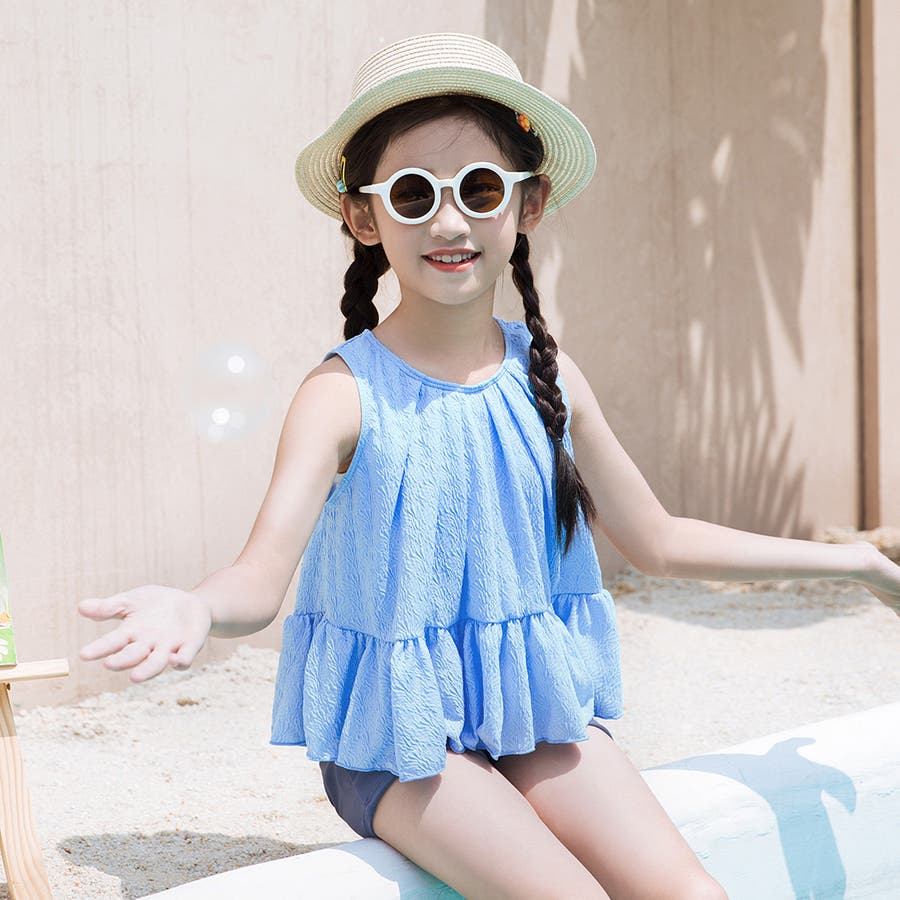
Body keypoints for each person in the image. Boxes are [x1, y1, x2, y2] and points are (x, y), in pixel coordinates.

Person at [78, 32, 900, 900]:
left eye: (479, 188)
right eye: (412, 193)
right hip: (398, 743)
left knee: (693, 894)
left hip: (530, 715)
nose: (449, 222)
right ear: (363, 218)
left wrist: (856, 562)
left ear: (528, 202)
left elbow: (658, 539)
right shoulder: (342, 394)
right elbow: (259, 577)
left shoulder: (547, 374)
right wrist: (199, 605)